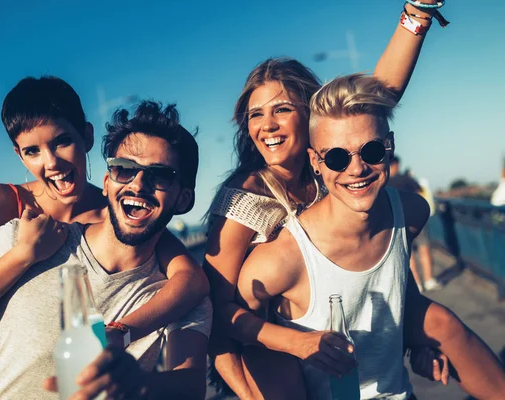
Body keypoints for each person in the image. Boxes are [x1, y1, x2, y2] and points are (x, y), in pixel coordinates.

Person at [0, 78, 209, 400]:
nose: (51, 163)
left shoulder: (119, 215)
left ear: (87, 136)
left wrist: (117, 332)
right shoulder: (0, 204)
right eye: (32, 151)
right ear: (20, 156)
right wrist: (23, 254)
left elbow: (191, 281)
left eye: (61, 142)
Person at [203, 2, 450, 398]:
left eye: (282, 109)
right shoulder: (244, 200)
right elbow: (214, 313)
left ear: (311, 114)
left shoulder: (331, 177)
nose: (266, 125)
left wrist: (417, 14)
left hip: (335, 351)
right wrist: (268, 373)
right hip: (270, 361)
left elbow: (372, 98)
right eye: (255, 115)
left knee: (445, 327)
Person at [235, 74, 505, 399]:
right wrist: (294, 345)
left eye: (372, 151)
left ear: (390, 145)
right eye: (336, 157)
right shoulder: (282, 260)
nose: (357, 169)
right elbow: (234, 331)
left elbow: (396, 285)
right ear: (315, 162)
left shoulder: (409, 213)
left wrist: (414, 342)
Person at [388, 156, 441, 292]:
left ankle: (417, 283)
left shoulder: (386, 182)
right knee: (424, 248)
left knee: (408, 254)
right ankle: (429, 279)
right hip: (416, 219)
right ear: (397, 164)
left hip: (398, 222)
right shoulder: (407, 179)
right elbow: (420, 194)